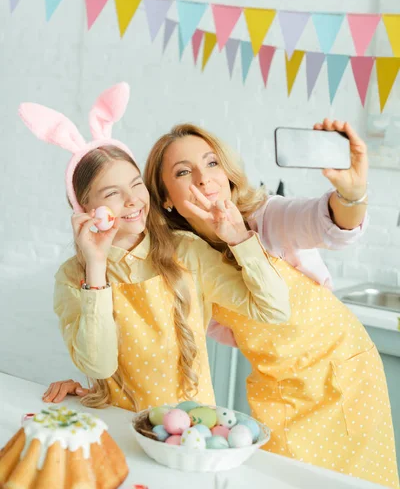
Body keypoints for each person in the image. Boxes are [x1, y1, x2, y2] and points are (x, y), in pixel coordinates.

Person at [139, 121, 398, 488]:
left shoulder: (265, 217)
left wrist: (352, 195)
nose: (203, 178)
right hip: (279, 390)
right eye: (183, 171)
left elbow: (326, 222)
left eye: (212, 163)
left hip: (345, 376)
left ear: (227, 174)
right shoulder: (184, 261)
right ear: (165, 197)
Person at [19, 83, 289, 413]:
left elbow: (275, 310)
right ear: (85, 209)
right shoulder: (73, 277)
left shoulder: (186, 251)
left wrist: (239, 238)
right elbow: (100, 367)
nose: (132, 200)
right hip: (119, 430)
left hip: (192, 434)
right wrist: (95, 266)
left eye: (136, 185)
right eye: (111, 194)